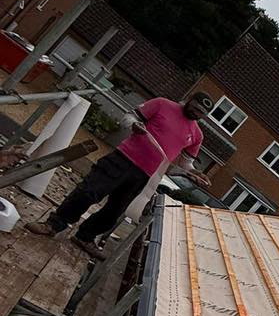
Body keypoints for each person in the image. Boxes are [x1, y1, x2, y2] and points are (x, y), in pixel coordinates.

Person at [27, 93, 213, 258]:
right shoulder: (162, 104)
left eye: (201, 114)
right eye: (195, 108)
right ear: (189, 101)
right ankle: (54, 224)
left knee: (114, 211)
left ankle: (86, 236)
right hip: (123, 159)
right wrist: (134, 126)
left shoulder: (196, 135)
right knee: (88, 192)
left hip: (145, 174)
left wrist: (192, 171)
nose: (196, 114)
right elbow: (129, 117)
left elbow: (185, 162)